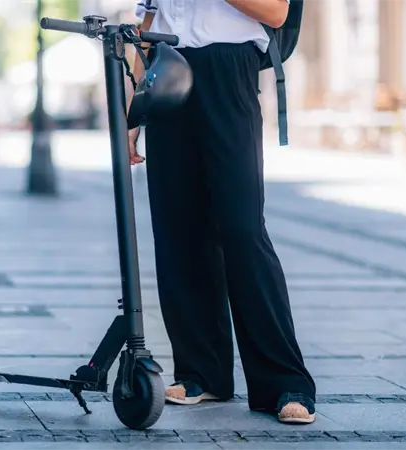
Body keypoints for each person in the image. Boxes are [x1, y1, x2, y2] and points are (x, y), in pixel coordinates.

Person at [128, 0, 317, 424]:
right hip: (168, 69)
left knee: (242, 229)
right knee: (178, 233)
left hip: (229, 68)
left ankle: (285, 382)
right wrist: (132, 114)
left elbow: (276, 12)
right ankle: (202, 373)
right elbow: (148, 22)